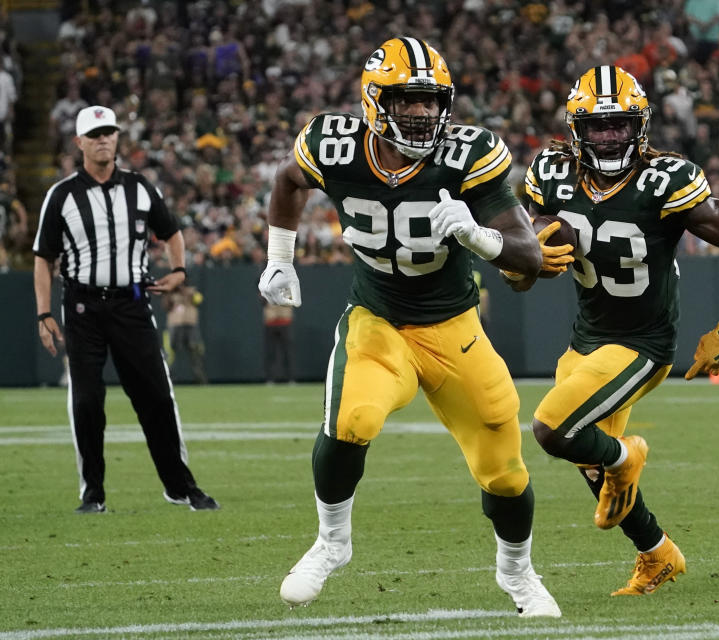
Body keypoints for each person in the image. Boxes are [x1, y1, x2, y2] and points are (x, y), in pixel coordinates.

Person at [257, 37, 560, 617]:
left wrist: (477, 235)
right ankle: (331, 543)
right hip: (380, 320)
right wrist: (279, 256)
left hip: (454, 327)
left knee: (503, 468)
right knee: (352, 417)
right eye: (408, 100)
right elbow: (287, 181)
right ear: (376, 101)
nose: (423, 113)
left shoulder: (468, 154)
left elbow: (530, 257)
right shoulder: (334, 144)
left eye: (431, 101)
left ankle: (518, 575)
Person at [506, 66, 719, 596]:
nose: (607, 136)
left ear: (639, 125)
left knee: (554, 428)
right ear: (576, 128)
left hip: (643, 344)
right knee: (590, 460)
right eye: (596, 127)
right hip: (587, 338)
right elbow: (528, 246)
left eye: (618, 125)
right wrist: (525, 260)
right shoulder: (551, 171)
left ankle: (628, 456)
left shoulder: (665, 179)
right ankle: (657, 553)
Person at [33, 105, 219, 514]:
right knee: (85, 401)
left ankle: (180, 487)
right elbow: (43, 258)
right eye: (95, 134)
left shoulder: (140, 187)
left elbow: (171, 232)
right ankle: (93, 493)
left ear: (117, 138)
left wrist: (179, 270)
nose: (103, 139)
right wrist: (44, 314)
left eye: (109, 132)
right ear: (79, 141)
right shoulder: (62, 194)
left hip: (133, 304)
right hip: (82, 307)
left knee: (156, 396)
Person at [164, 283, 208, 384]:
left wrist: (187, 293)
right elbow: (166, 305)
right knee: (170, 354)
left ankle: (201, 380)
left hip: (190, 325)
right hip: (175, 325)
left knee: (196, 353)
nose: (181, 286)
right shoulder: (171, 293)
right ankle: (166, 379)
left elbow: (199, 300)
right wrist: (172, 293)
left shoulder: (192, 292)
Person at [263, 301, 294, 383]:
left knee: (287, 352)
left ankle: (290, 378)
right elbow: (262, 300)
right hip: (271, 321)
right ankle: (270, 379)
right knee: (271, 352)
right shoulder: (266, 288)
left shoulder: (288, 288)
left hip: (284, 321)